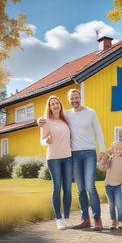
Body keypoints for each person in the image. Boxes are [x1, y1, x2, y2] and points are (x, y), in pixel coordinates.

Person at [38, 89, 106, 231]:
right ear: (68, 100)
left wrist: (103, 150)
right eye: (72, 98)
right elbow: (46, 121)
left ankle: (97, 218)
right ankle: (85, 219)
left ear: (80, 97)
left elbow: (99, 132)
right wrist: (38, 121)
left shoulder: (90, 113)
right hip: (73, 154)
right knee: (80, 189)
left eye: (76, 97)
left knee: (90, 186)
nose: (74, 100)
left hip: (89, 153)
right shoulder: (67, 114)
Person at [40, 96, 73, 230]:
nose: (55, 105)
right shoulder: (46, 121)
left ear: (60, 104)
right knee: (57, 188)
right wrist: (46, 141)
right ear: (49, 107)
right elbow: (41, 140)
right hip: (53, 158)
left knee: (68, 189)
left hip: (67, 157)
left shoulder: (65, 119)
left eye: (57, 103)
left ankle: (66, 218)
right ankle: (58, 219)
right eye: (52, 104)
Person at [98, 141, 122, 230]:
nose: (118, 151)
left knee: (119, 204)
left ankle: (120, 221)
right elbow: (103, 167)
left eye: (120, 149)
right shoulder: (110, 159)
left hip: (117, 185)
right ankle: (113, 221)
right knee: (111, 204)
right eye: (116, 149)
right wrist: (103, 160)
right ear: (112, 150)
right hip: (108, 185)